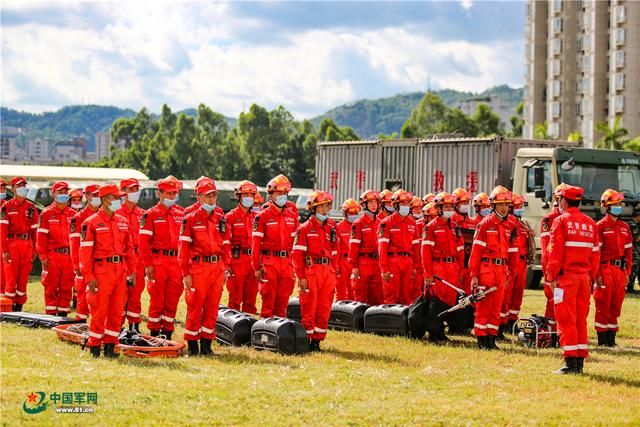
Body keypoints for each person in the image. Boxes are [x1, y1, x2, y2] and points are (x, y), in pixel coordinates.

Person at [546, 185, 599, 374]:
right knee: (580, 321)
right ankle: (579, 363)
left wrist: (550, 275)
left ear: (563, 201)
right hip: (584, 279)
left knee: (566, 320)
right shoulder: (590, 223)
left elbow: (555, 252)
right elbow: (595, 254)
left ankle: (570, 364)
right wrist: (590, 276)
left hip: (566, 280)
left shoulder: (560, 221)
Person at [79, 183, 136, 358]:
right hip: (101, 271)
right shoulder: (91, 223)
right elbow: (85, 252)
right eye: (115, 198)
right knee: (99, 311)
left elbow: (129, 249)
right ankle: (95, 347)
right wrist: (88, 276)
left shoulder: (123, 222)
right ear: (104, 200)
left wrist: (132, 271)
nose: (119, 200)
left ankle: (111, 347)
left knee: (116, 311)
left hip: (119, 271)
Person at [178, 180, 231, 356]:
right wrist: (186, 273)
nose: (211, 199)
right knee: (195, 307)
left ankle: (207, 346)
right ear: (199, 197)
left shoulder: (220, 218)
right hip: (198, 268)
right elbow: (183, 249)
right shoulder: (190, 219)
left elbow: (226, 246)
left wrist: (225, 267)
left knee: (212, 307)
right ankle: (193, 347)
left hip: (217, 268)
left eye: (214, 195)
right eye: (207, 195)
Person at [139, 175, 185, 339]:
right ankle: (153, 332)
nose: (172, 197)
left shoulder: (181, 214)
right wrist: (148, 265)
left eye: (175, 193)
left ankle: (167, 332)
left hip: (177, 262)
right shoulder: (150, 214)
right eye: (169, 193)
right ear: (160, 194)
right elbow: (143, 243)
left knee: (173, 298)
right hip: (158, 262)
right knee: (157, 299)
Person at [292, 191, 339, 351]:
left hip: (328, 271)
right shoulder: (304, 229)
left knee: (324, 306)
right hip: (311, 271)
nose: (326, 210)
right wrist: (301, 276)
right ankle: (307, 339)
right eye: (322, 207)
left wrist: (334, 270)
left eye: (327, 206)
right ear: (314, 208)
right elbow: (297, 255)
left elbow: (336, 251)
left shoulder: (332, 228)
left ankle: (317, 341)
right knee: (309, 306)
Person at [469, 186, 514, 350]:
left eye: (507, 204)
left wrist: (506, 271)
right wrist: (474, 275)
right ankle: (482, 340)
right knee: (484, 305)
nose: (504, 207)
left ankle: (491, 339)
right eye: (501, 204)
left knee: (497, 306)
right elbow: (475, 252)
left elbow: (506, 252)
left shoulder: (507, 225)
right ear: (493, 205)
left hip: (501, 269)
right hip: (487, 268)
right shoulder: (485, 223)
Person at [251, 174, 299, 318]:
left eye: (285, 193)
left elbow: (297, 244)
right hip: (269, 263)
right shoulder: (262, 216)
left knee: (283, 302)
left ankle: (280, 334)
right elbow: (256, 244)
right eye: (279, 192)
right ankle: (264, 335)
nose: (283, 196)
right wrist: (256, 267)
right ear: (271, 194)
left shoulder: (292, 216)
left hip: (287, 264)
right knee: (268, 302)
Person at [421, 192, 465, 342]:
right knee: (438, 300)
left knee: (450, 300)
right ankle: (434, 332)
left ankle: (441, 330)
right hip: (438, 267)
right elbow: (425, 252)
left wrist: (460, 269)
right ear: (438, 208)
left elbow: (460, 250)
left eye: (450, 206)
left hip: (452, 266)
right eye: (445, 206)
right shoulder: (430, 227)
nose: (449, 209)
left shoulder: (454, 227)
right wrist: (428, 273)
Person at [594, 189, 632, 347]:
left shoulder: (625, 227)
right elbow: (596, 253)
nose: (619, 206)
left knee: (616, 305)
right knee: (603, 304)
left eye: (619, 204)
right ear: (607, 207)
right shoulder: (600, 226)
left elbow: (629, 252)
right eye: (615, 204)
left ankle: (612, 340)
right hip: (605, 269)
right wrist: (597, 273)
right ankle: (603, 340)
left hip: (620, 271)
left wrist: (627, 272)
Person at [36, 181, 75, 316]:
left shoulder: (73, 214)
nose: (63, 194)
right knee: (51, 287)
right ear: (53, 194)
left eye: (65, 192)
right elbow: (41, 238)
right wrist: (43, 257)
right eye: (60, 192)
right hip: (53, 256)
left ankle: (63, 315)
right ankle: (51, 315)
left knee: (66, 286)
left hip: (69, 257)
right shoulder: (46, 214)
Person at [1, 177, 39, 311]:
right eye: (19, 186)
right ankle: (8, 308)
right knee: (11, 279)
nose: (22, 188)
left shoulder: (31, 208)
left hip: (27, 245)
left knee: (23, 278)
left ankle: (19, 307)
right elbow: (3, 232)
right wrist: (4, 250)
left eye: (24, 185)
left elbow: (35, 231)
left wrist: (35, 249)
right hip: (12, 245)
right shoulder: (7, 207)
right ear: (13, 189)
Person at [378, 189, 420, 305]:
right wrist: (384, 269)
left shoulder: (412, 223)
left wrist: (415, 266)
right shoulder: (386, 223)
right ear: (395, 205)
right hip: (392, 262)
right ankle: (390, 321)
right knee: (391, 296)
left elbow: (416, 248)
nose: (406, 206)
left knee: (407, 296)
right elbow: (382, 248)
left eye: (407, 203)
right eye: (403, 203)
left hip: (408, 262)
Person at [116, 178, 146, 332]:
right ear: (123, 192)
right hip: (121, 259)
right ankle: (118, 325)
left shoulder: (142, 214)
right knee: (120, 295)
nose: (135, 193)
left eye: (136, 189)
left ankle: (134, 326)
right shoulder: (116, 213)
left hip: (138, 259)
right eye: (131, 190)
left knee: (136, 293)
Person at [224, 180, 259, 314]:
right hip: (237, 261)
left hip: (253, 261)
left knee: (251, 299)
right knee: (235, 298)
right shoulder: (230, 217)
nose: (249, 198)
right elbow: (225, 242)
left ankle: (248, 327)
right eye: (245, 195)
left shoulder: (257, 217)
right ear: (238, 196)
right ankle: (234, 328)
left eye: (251, 195)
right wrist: (228, 264)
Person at [500, 193, 532, 335]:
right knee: (506, 295)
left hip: (522, 263)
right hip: (510, 263)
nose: (520, 209)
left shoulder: (522, 225)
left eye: (521, 206)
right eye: (517, 207)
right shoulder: (508, 224)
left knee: (517, 294)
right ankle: (503, 323)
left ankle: (513, 321)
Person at [69, 184, 101, 320]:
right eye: (94, 195)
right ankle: (80, 324)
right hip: (85, 264)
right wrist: (78, 266)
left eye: (99, 195)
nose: (97, 198)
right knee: (82, 297)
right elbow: (75, 244)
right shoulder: (78, 218)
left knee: (99, 296)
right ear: (86, 196)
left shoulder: (104, 215)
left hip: (100, 263)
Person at [348, 190, 384, 306]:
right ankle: (360, 323)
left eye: (376, 202)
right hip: (363, 263)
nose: (374, 205)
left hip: (377, 263)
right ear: (364, 205)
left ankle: (374, 322)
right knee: (361, 297)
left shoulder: (380, 223)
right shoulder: (358, 223)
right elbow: (353, 247)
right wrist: (354, 266)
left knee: (377, 296)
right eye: (371, 202)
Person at [540, 184, 567, 334]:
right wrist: (549, 274)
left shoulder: (570, 219)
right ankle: (551, 333)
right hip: (554, 270)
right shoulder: (549, 219)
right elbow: (546, 251)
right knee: (553, 302)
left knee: (566, 304)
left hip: (568, 271)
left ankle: (562, 333)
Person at [335, 199, 359, 301]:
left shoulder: (358, 226)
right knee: (340, 290)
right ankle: (338, 314)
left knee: (354, 290)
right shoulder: (338, 227)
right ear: (345, 213)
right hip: (342, 262)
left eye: (355, 212)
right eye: (351, 212)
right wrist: (336, 265)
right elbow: (336, 248)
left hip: (355, 262)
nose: (353, 214)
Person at [627, 205, 640, 294]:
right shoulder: (632, 224)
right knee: (635, 262)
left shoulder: (636, 224)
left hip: (635, 248)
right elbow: (637, 238)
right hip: (631, 248)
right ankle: (629, 286)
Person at [0, 179, 8, 297]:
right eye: (0, 188)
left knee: (3, 273)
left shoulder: (7, 206)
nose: (2, 191)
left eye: (3, 188)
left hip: (4, 243)